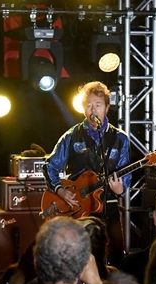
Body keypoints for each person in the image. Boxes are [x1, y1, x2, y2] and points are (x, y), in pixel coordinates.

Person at [43, 81, 130, 261]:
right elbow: (49, 166)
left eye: (98, 105)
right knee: (75, 257)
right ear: (83, 109)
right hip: (77, 207)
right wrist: (60, 190)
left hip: (108, 205)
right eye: (89, 105)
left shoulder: (120, 139)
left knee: (113, 256)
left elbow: (125, 177)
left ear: (106, 108)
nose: (93, 110)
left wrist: (120, 190)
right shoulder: (71, 136)